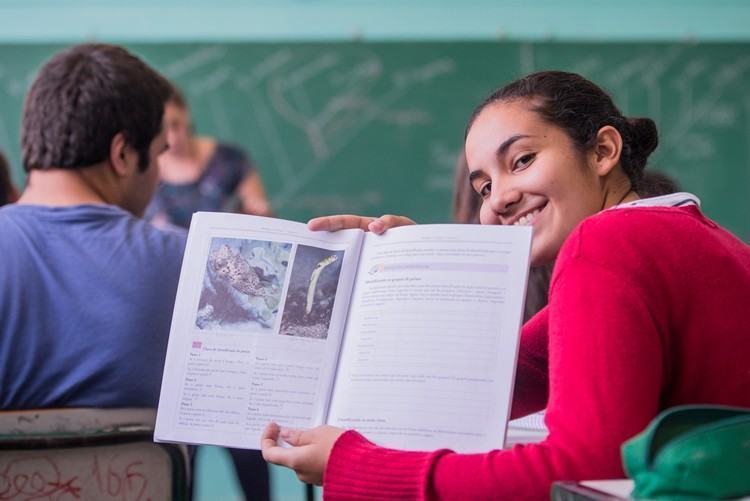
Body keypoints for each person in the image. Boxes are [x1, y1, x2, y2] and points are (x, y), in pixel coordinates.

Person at [260, 71, 750, 499]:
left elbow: (583, 471)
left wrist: (357, 469)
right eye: (484, 188)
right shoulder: (689, 234)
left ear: (603, 151)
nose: (501, 199)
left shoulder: (606, 243)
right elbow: (495, 382)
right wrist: (419, 274)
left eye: (521, 160)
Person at [0, 43, 183, 412]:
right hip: (144, 472)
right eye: (161, 152)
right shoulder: (192, 264)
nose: (160, 176)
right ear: (122, 154)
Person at [147, 88, 272, 229]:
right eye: (161, 131)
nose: (172, 139)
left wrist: (260, 214)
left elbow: (264, 218)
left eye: (175, 125)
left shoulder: (229, 159)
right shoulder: (146, 174)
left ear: (185, 113)